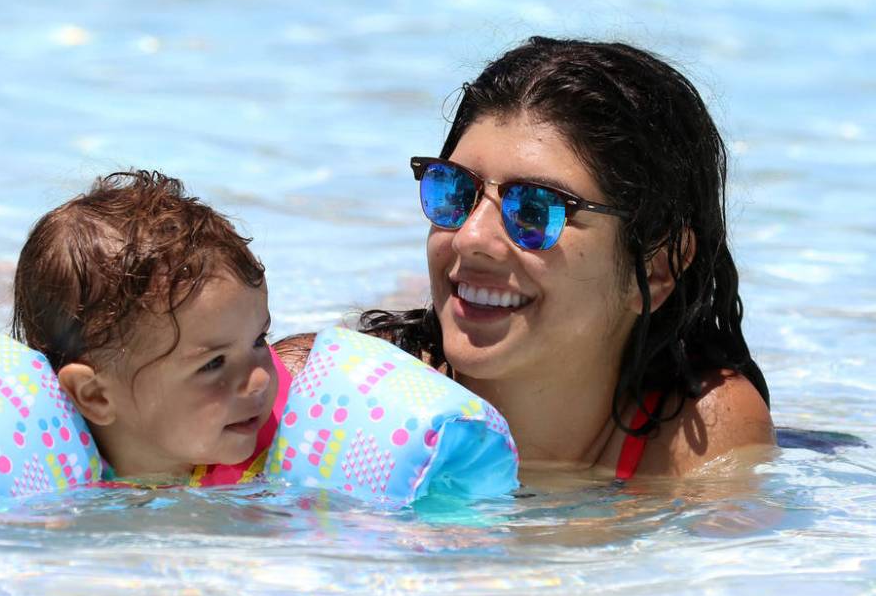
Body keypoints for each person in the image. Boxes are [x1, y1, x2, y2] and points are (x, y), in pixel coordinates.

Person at [288, 36, 775, 479]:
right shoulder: (331, 391)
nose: (470, 237)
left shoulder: (697, 431)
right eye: (454, 191)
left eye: (536, 209)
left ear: (656, 266)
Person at [11, 169, 283, 481]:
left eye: (258, 340)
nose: (260, 378)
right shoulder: (58, 504)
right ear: (96, 395)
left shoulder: (292, 440)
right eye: (214, 363)